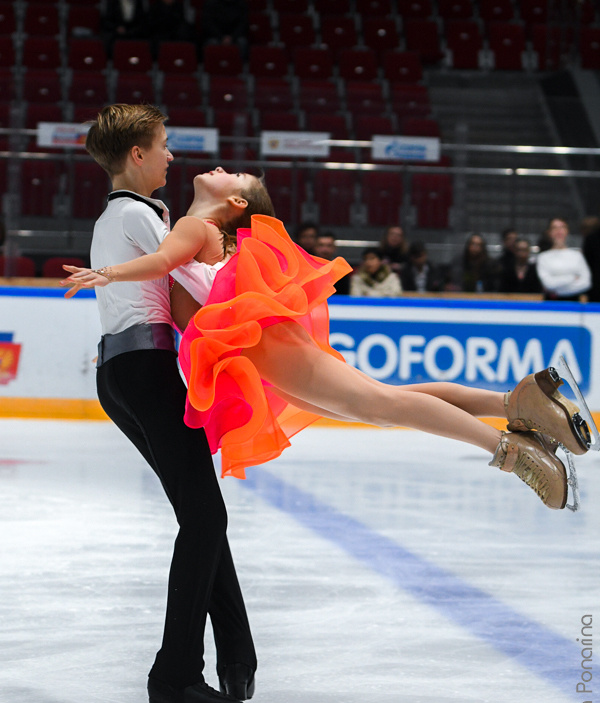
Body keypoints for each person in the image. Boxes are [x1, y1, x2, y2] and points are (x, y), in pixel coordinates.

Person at [63, 169, 592, 512]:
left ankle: (512, 451)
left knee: (383, 404)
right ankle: (514, 403)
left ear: (237, 201)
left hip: (262, 341)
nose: (220, 169)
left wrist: (106, 275)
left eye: (233, 174)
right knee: (383, 403)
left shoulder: (194, 226)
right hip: (261, 341)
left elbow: (159, 266)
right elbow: (170, 291)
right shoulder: (202, 231)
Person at [73, 105, 260, 703]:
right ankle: (175, 675)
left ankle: (236, 653)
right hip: (145, 372)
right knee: (206, 513)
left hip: (123, 374)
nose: (172, 156)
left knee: (199, 512)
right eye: (163, 145)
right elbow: (197, 285)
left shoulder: (123, 215)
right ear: (137, 157)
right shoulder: (135, 216)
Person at [536, 217, 592, 301]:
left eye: (562, 227)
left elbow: (586, 283)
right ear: (549, 232)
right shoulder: (543, 257)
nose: (559, 231)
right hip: (551, 304)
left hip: (574, 304)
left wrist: (558, 290)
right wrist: (572, 277)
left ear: (567, 231)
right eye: (555, 228)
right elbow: (548, 284)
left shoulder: (577, 256)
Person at [315, 230, 349, 295]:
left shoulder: (341, 270)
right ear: (315, 247)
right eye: (321, 245)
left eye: (329, 245)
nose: (325, 249)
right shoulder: (308, 268)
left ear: (334, 248)